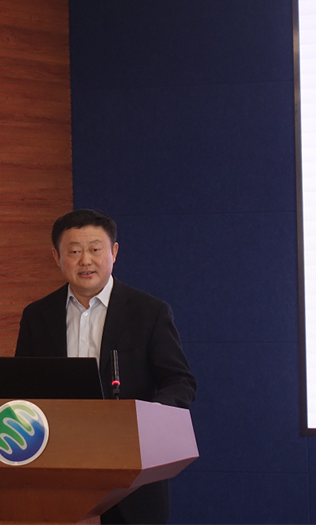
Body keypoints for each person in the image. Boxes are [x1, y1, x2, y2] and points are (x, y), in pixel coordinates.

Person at [15, 209, 197, 524]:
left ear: (113, 252)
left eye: (95, 249)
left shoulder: (149, 312)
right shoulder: (37, 315)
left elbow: (180, 381)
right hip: (58, 469)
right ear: (56, 257)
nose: (85, 260)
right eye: (74, 251)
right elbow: (20, 385)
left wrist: (149, 418)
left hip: (132, 476)